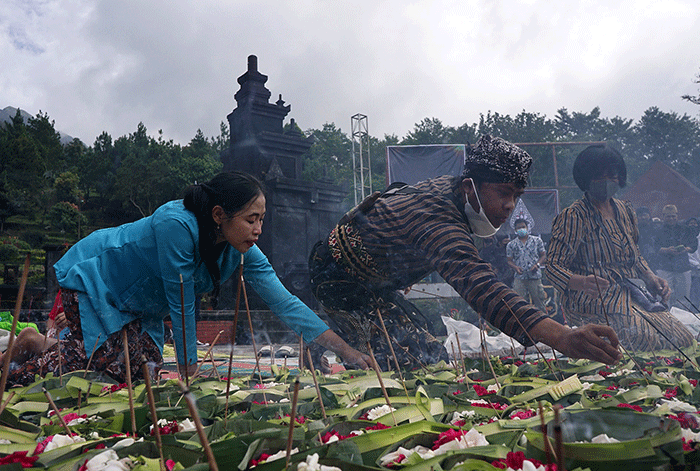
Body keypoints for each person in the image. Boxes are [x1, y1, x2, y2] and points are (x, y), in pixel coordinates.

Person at [2, 171, 370, 386]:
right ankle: (20, 361)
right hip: (97, 279)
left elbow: (286, 302)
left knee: (139, 375)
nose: (259, 229)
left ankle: (36, 342)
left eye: (261, 219)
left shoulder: (240, 249)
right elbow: (181, 300)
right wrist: (188, 370)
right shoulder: (176, 225)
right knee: (98, 371)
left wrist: (349, 352)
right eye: (250, 219)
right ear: (218, 214)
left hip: (138, 307)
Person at [309, 135, 622, 371]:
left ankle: (325, 332)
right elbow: (482, 287)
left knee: (430, 350)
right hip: (339, 280)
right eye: (503, 193)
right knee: (409, 361)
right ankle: (319, 334)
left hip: (375, 282)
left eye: (516, 195)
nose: (511, 206)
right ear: (471, 187)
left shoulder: (456, 193)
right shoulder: (439, 217)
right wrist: (562, 336)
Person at [546, 145, 694, 352]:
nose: (607, 181)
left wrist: (650, 278)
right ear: (586, 178)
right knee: (645, 340)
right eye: (599, 176)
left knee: (682, 338)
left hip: (629, 291)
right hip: (592, 299)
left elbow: (635, 255)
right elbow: (552, 267)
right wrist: (579, 281)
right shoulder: (573, 216)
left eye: (612, 175)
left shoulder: (625, 211)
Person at [655, 205, 698, 308]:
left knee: (683, 297)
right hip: (664, 267)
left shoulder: (685, 229)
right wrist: (666, 250)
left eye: (673, 216)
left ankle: (682, 319)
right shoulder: (657, 229)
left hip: (682, 267)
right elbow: (652, 247)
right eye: (668, 216)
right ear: (664, 216)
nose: (671, 219)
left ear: (677, 216)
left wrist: (685, 249)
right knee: (663, 295)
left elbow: (693, 244)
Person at [506, 218, 548, 312]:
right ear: (515, 230)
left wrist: (537, 265)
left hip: (534, 277)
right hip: (519, 278)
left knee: (540, 303)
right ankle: (523, 324)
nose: (521, 229)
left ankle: (543, 324)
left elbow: (543, 255)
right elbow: (509, 260)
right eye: (519, 228)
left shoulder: (537, 241)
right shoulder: (511, 245)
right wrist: (515, 267)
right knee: (519, 304)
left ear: (527, 227)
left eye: (523, 227)